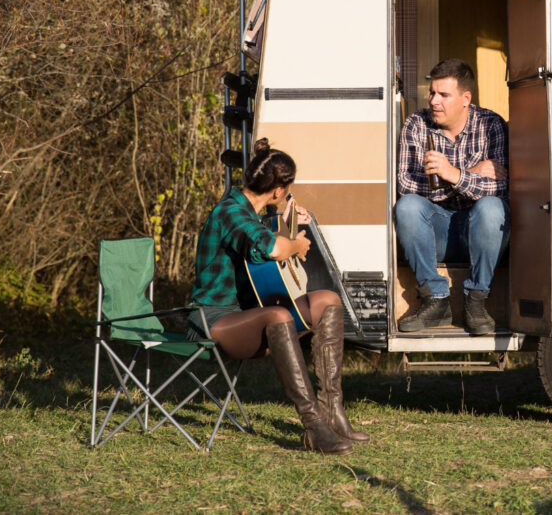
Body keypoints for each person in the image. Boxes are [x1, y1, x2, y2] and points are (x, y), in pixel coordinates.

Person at [187, 138, 368, 455]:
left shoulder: (250, 213)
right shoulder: (230, 213)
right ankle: (314, 427)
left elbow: (262, 238)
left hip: (245, 315)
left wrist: (286, 222)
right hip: (213, 319)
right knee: (278, 314)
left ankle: (332, 410)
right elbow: (271, 248)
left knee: (327, 300)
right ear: (277, 190)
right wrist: (297, 245)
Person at [395, 58, 509, 335]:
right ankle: (435, 299)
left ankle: (476, 300)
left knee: (492, 208)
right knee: (408, 207)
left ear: (465, 99)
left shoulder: (491, 125)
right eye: (432, 93)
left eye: (443, 95)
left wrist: (452, 173)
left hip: (480, 234)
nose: (434, 101)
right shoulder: (417, 125)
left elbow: (501, 188)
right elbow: (406, 184)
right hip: (435, 233)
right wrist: (466, 174)